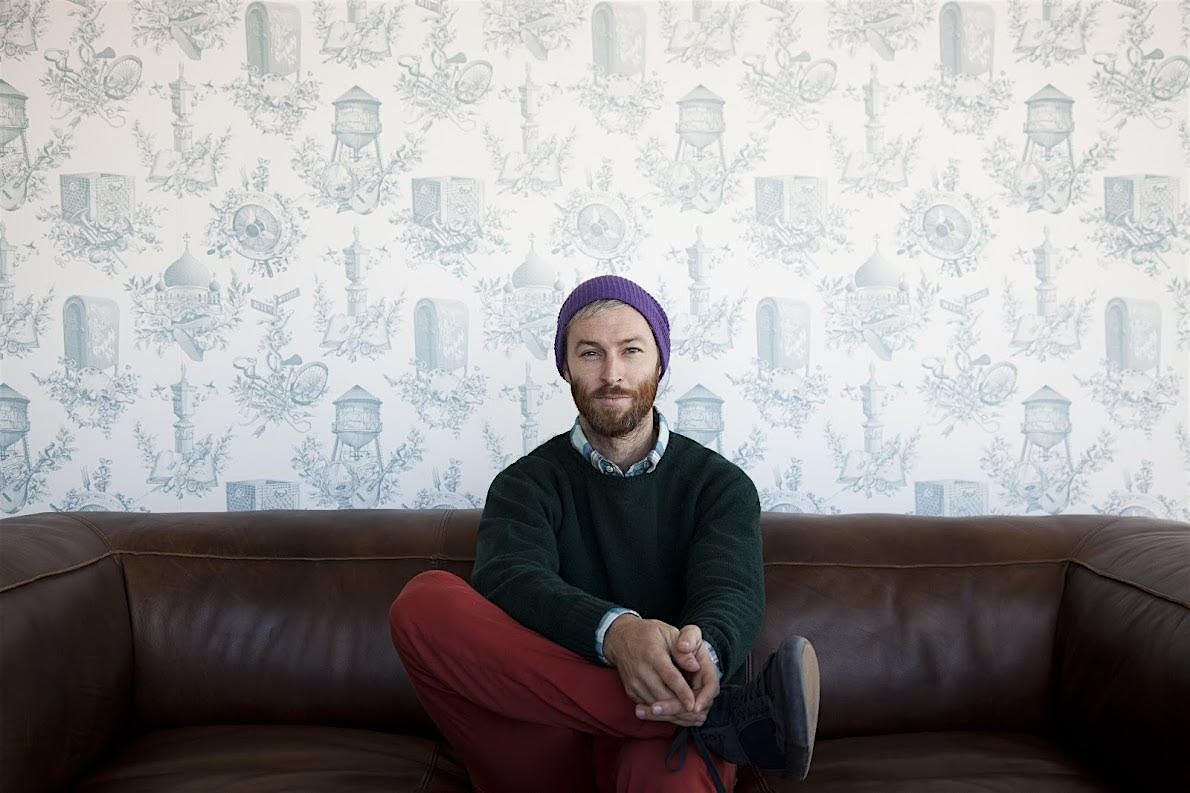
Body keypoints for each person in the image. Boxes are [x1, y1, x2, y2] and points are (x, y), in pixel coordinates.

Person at [389, 275, 820, 793]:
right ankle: (716, 716)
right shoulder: (524, 485)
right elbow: (511, 580)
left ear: (659, 364)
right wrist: (617, 634)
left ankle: (687, 711)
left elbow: (729, 593)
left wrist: (702, 655)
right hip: (544, 738)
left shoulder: (719, 486)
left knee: (667, 775)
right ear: (566, 368)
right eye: (590, 353)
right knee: (424, 602)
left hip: (661, 750)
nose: (612, 374)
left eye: (631, 350)